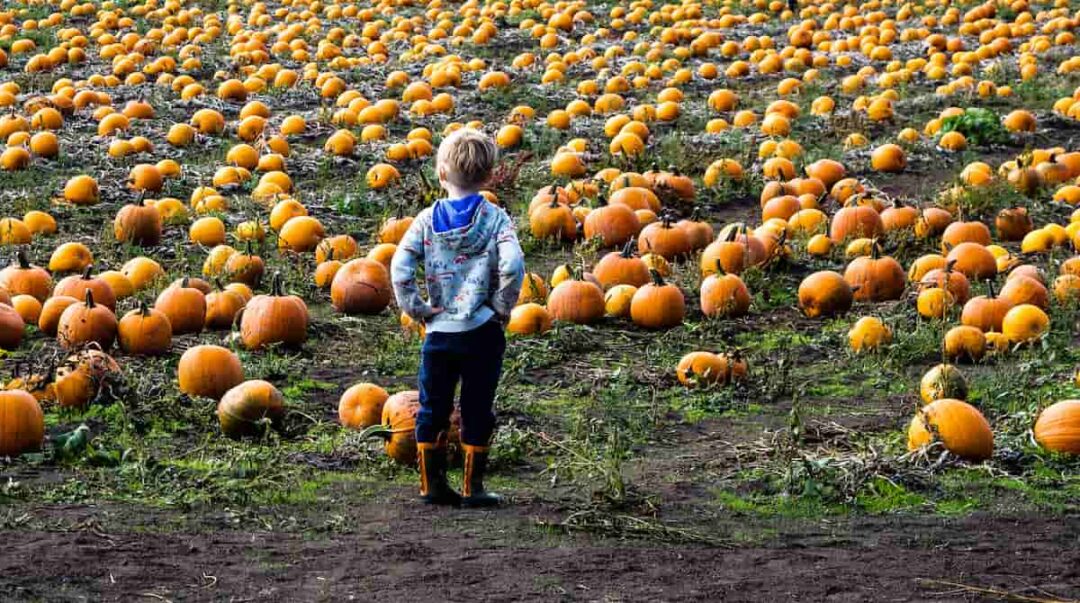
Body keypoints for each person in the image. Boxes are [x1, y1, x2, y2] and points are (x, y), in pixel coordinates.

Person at [390, 128, 525, 507]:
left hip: (440, 334)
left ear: (441, 174)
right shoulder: (496, 219)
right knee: (477, 407)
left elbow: (400, 267)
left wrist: (416, 308)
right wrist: (502, 306)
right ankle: (473, 488)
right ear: (489, 176)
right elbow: (513, 265)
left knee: (433, 406)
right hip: (482, 332)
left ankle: (431, 485)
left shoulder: (425, 220)